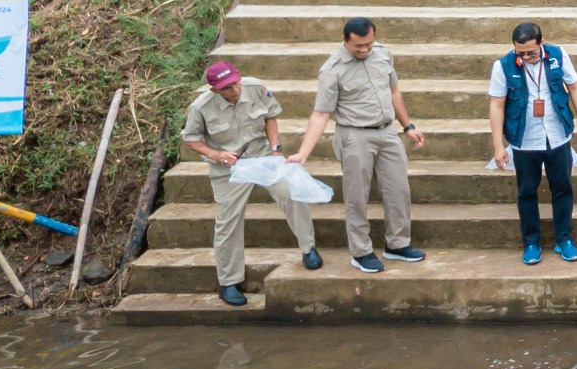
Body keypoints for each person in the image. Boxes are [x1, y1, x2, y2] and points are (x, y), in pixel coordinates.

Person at [289, 17, 424, 273]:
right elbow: (320, 114)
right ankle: (361, 251)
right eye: (358, 46)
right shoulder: (332, 70)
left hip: (387, 132)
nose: (364, 50)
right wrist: (303, 153)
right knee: (356, 197)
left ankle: (397, 244)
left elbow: (394, 91)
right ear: (345, 41)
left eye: (368, 44)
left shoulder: (383, 55)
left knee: (399, 190)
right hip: (354, 136)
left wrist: (408, 126)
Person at [181, 61, 320, 306]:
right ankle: (229, 282)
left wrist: (276, 149)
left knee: (291, 192)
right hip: (229, 167)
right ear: (214, 90)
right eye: (227, 88)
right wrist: (216, 155)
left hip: (262, 156)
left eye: (236, 83)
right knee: (228, 220)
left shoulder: (255, 87)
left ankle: (309, 248)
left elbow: (270, 116)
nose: (235, 90)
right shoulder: (200, 107)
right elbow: (191, 139)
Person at [486, 21, 577, 266]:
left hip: (557, 136)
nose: (525, 57)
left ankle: (564, 239)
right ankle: (531, 242)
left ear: (541, 44)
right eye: (520, 52)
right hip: (524, 140)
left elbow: (574, 87)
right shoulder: (503, 66)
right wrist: (498, 145)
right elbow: (497, 105)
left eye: (531, 52)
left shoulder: (557, 55)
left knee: (563, 188)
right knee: (526, 192)